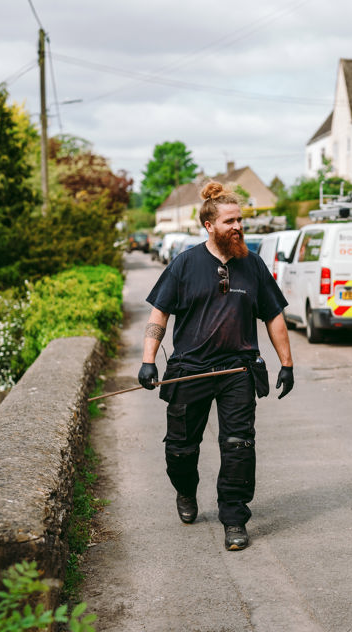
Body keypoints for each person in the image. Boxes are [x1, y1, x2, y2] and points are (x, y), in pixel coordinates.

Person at [138, 181, 294, 551]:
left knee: (239, 445)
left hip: (237, 371)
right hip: (189, 369)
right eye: (229, 221)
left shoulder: (252, 265)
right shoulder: (184, 264)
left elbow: (274, 316)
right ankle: (186, 491)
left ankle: (234, 517)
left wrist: (287, 364)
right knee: (180, 449)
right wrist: (148, 360)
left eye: (240, 219)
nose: (238, 226)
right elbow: (159, 313)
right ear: (209, 226)